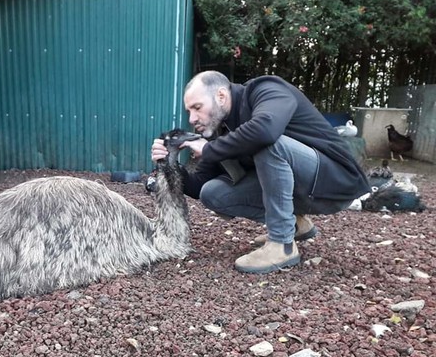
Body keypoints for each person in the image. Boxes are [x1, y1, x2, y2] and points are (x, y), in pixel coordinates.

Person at [150, 71, 370, 274]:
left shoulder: (265, 90)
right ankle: (294, 224)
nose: (191, 119)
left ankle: (282, 244)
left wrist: (208, 148)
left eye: (197, 107)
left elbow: (266, 130)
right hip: (303, 192)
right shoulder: (220, 132)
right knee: (213, 193)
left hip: (335, 181)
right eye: (189, 111)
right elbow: (199, 186)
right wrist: (170, 162)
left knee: (268, 144)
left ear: (221, 96)